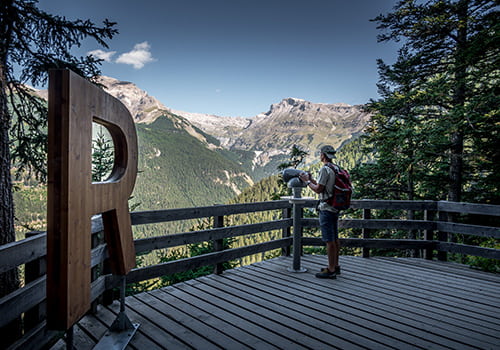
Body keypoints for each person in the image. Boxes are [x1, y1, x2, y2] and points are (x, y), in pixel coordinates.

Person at [299, 145, 340, 279]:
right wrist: (311, 180)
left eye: (320, 154)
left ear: (323, 155)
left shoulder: (325, 169)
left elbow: (318, 190)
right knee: (335, 238)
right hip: (334, 206)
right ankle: (335, 265)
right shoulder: (336, 168)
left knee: (329, 240)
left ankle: (331, 269)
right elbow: (322, 186)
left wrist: (306, 182)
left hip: (326, 208)